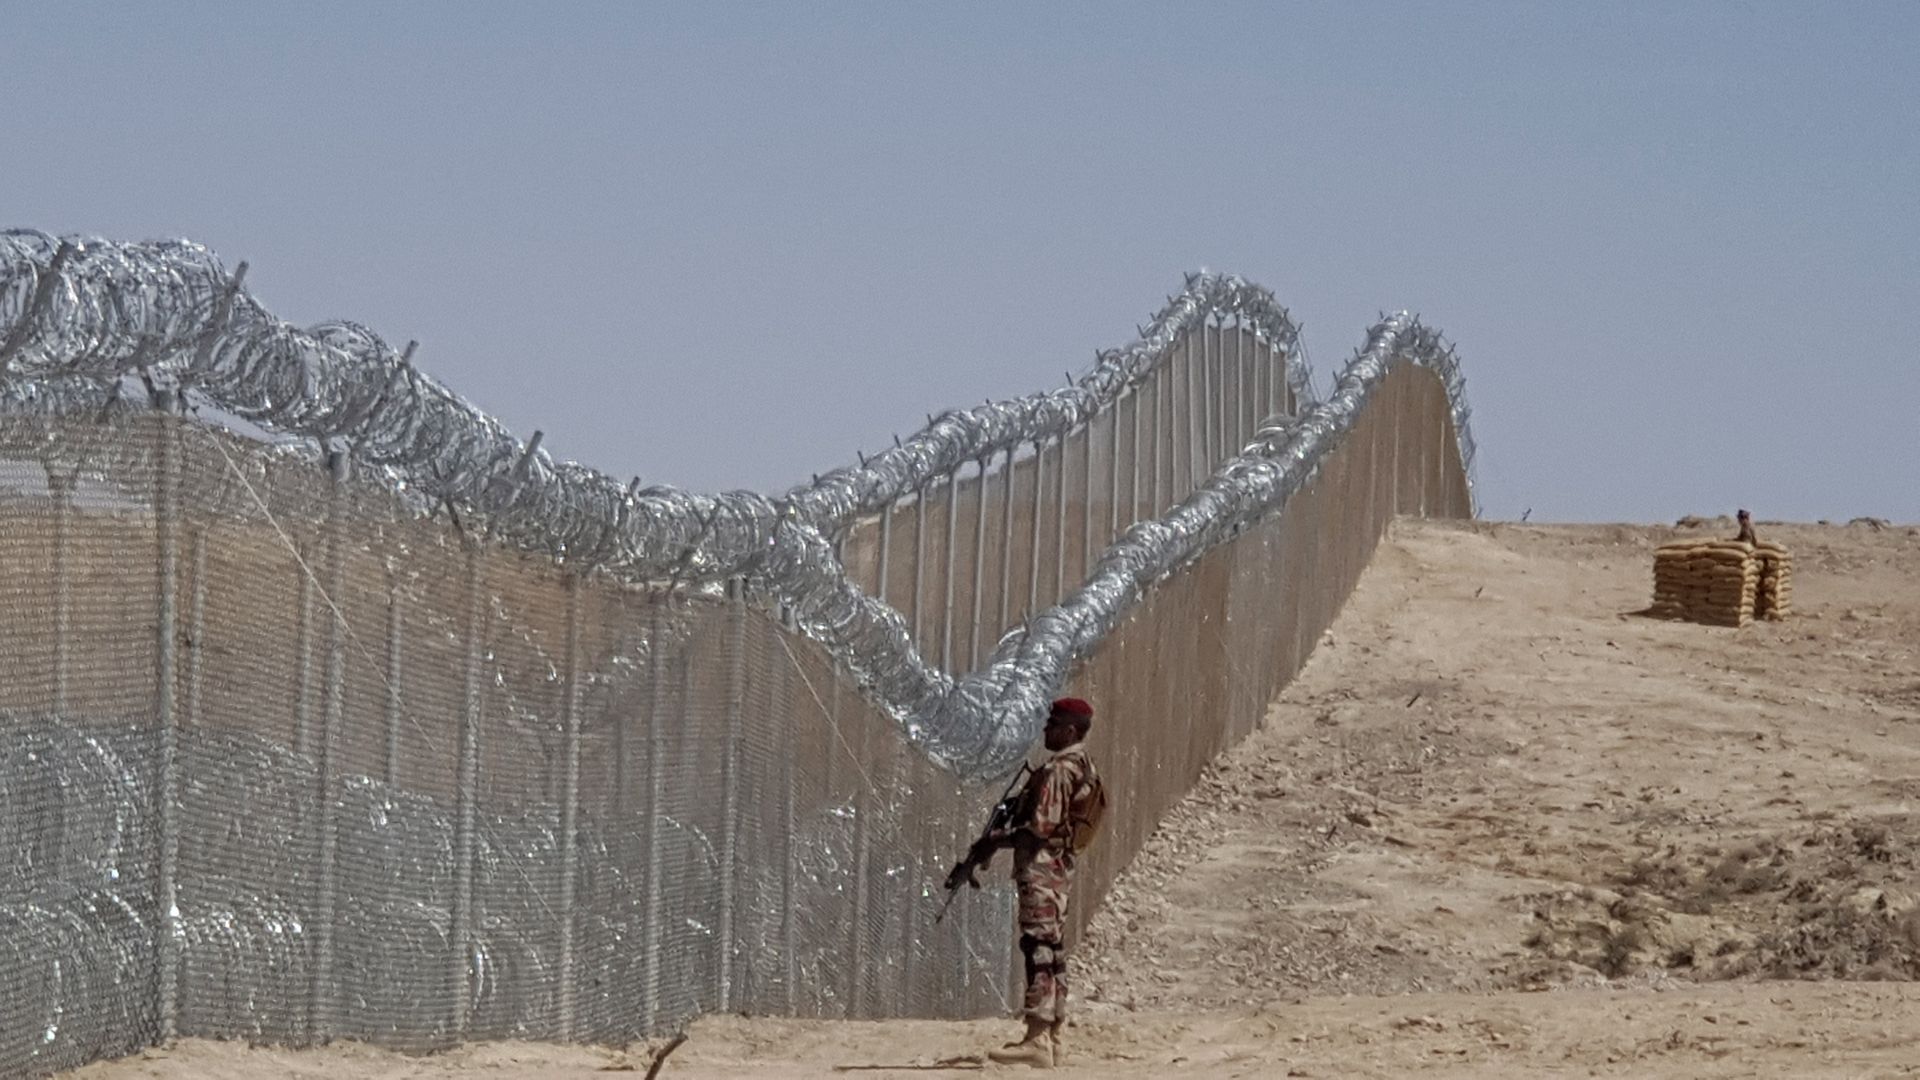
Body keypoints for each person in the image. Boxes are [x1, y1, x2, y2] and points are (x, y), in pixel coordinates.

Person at [947, 696, 1105, 1069]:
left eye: (1053, 725)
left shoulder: (1058, 770)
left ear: (1069, 730)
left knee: (1037, 946)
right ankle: (1052, 1035)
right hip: (1060, 867)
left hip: (1041, 867)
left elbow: (1040, 829)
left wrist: (992, 843)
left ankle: (1036, 1038)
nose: (1046, 730)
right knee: (1052, 948)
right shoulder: (1085, 765)